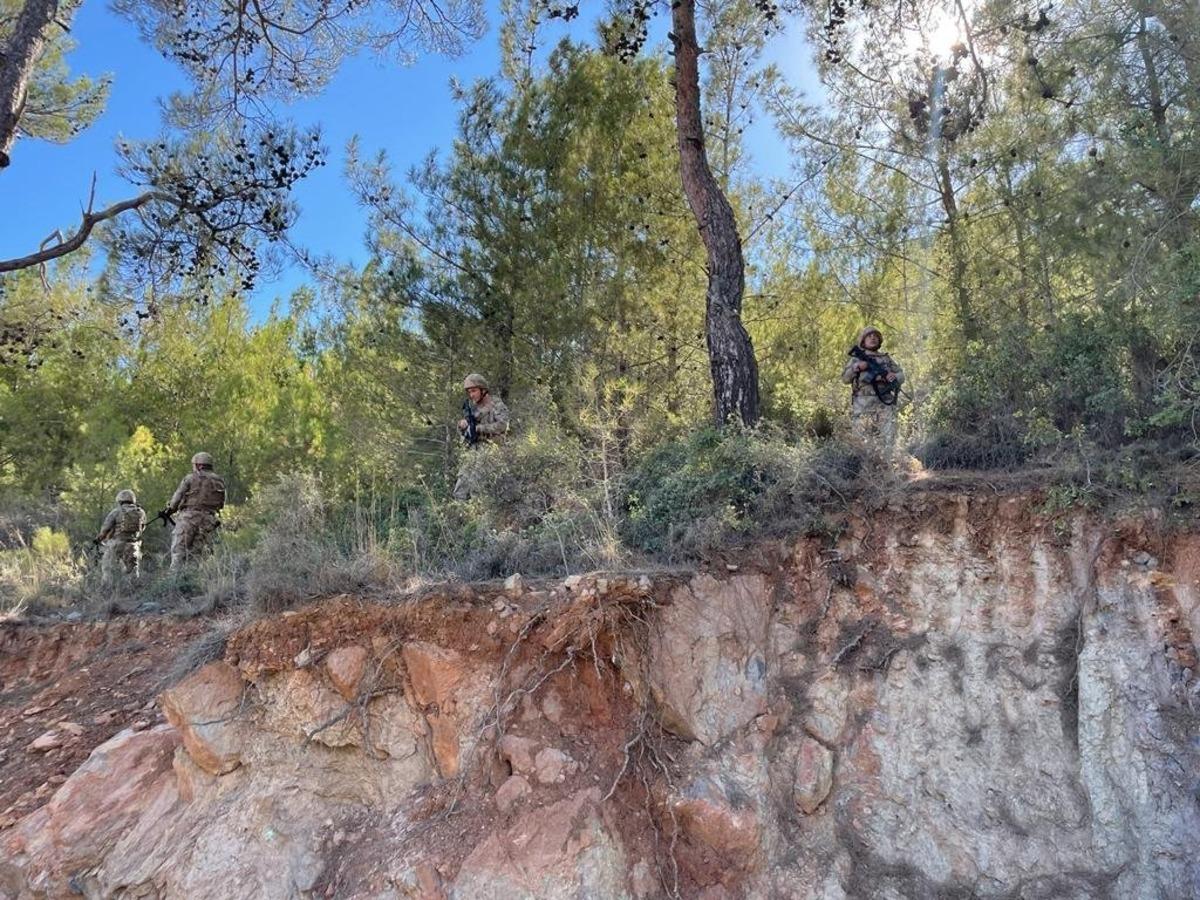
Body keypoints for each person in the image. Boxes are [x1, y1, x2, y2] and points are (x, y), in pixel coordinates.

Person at [841, 325, 905, 455]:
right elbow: (845, 379)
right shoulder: (857, 358)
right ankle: (865, 470)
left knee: (887, 437)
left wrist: (893, 377)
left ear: (879, 341)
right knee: (861, 439)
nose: (873, 338)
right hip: (863, 404)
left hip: (884, 403)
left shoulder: (886, 358)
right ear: (863, 341)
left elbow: (901, 375)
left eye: (876, 336)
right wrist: (857, 368)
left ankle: (887, 467)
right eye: (869, 336)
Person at [163, 451, 226, 569]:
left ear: (199, 465)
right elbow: (221, 504)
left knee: (179, 553)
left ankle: (173, 583)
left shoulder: (190, 478)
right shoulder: (219, 481)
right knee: (197, 557)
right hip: (208, 521)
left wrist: (169, 511)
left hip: (188, 519)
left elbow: (177, 498)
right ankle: (192, 583)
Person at [453, 373, 510, 500]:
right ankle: (459, 515)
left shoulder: (496, 405)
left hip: (491, 449)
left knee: (477, 486)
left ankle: (480, 517)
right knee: (461, 485)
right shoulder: (473, 408)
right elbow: (467, 433)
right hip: (473, 449)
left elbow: (503, 425)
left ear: (483, 390)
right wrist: (463, 426)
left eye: (474, 391)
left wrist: (478, 428)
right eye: (469, 392)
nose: (471, 395)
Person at [95, 489, 146, 585]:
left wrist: (99, 539)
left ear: (120, 500)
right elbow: (142, 528)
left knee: (107, 567)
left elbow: (105, 530)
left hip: (116, 544)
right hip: (133, 545)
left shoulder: (116, 512)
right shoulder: (141, 512)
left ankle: (107, 589)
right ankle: (133, 590)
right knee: (132, 570)